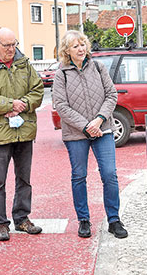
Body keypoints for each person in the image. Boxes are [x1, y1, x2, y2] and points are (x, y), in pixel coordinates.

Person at [52, 30, 127, 239]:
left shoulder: (98, 67)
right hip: (76, 134)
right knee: (79, 176)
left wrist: (99, 120)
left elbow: (112, 95)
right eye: (75, 46)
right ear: (67, 51)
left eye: (83, 44)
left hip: (103, 129)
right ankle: (84, 220)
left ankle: (114, 220)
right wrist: (86, 126)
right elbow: (61, 106)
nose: (81, 49)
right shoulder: (61, 74)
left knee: (109, 175)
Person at [0, 27, 44, 242]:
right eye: (7, 45)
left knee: (24, 178)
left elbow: (38, 90)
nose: (11, 49)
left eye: (14, 44)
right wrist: (8, 104)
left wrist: (22, 105)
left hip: (24, 130)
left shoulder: (25, 65)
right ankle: (1, 223)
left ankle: (22, 218)